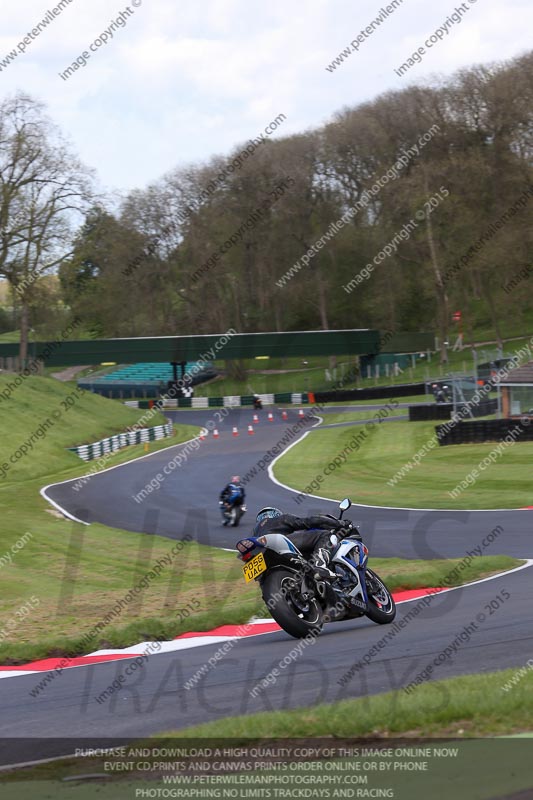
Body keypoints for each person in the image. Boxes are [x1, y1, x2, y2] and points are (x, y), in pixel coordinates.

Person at [253, 507, 361, 581]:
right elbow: (308, 521)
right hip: (279, 542)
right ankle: (320, 565)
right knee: (324, 535)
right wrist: (340, 523)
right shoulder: (279, 519)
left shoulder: (256, 534)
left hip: (262, 555)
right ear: (274, 514)